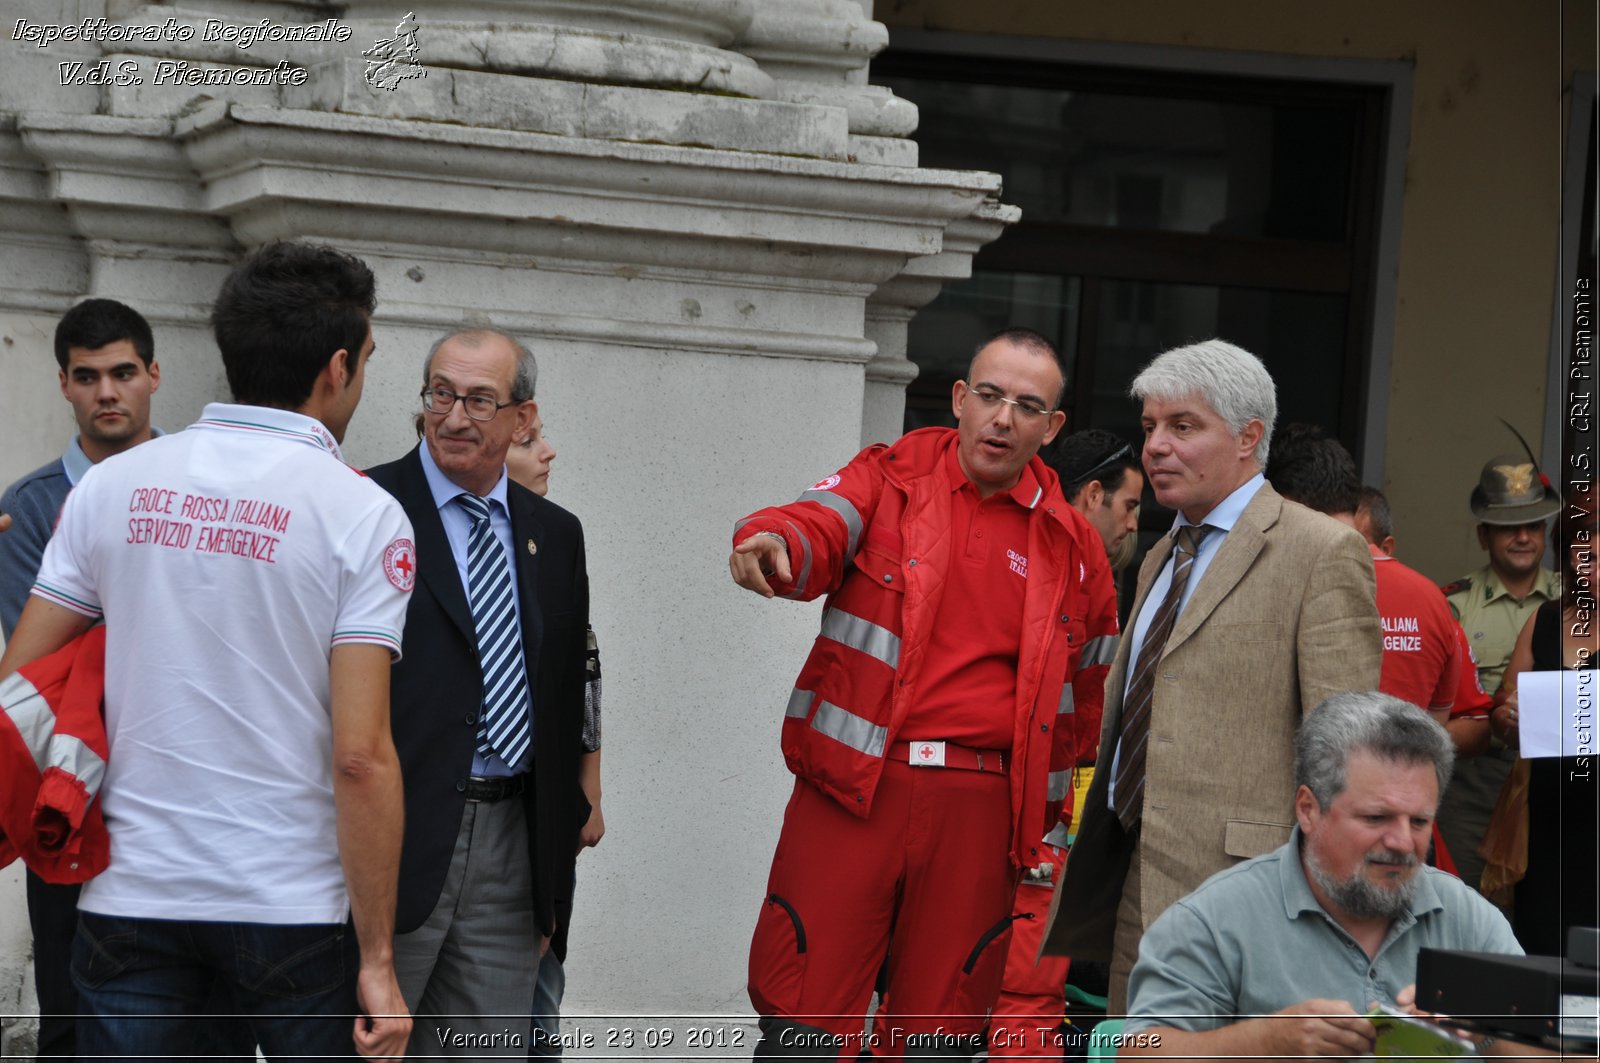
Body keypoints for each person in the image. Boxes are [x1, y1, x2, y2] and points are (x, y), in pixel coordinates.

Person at [0, 242, 414, 1058]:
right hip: (290, 902)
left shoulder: (113, 486)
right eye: (365, 359)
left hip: (132, 891)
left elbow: (18, 684)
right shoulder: (362, 513)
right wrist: (379, 958)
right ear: (337, 367)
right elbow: (361, 755)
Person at [730, 327, 1118, 1058]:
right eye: (992, 397)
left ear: (1051, 427)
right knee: (803, 1030)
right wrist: (773, 541)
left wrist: (1049, 829)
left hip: (983, 811)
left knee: (937, 1039)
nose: (1004, 418)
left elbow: (1087, 699)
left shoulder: (1075, 544)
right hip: (855, 793)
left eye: (1027, 406)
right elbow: (815, 523)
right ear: (961, 399)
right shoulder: (889, 477)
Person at [1044, 339, 1382, 1012]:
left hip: (1252, 902)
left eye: (1183, 426)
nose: (1155, 448)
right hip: (1134, 882)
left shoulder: (1321, 551)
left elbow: (1347, 752)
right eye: (1149, 429)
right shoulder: (1162, 553)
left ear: (1248, 436)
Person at [367, 328, 590, 1057]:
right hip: (395, 837)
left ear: (523, 419)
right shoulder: (365, 505)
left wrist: (552, 881)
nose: (454, 416)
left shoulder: (556, 535)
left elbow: (562, 703)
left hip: (512, 851)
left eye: (479, 400)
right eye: (440, 393)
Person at [1120, 692, 1522, 1061]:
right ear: (1308, 809)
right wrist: (1263, 1045)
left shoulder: (1464, 915)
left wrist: (1486, 1024)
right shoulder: (1214, 920)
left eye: (1419, 821)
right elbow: (1136, 1051)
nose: (1403, 841)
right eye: (1376, 817)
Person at [0, 298, 165, 1059]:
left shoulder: (192, 490)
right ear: (64, 384)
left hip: (176, 797)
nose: (108, 391)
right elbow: (42, 665)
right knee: (69, 1019)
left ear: (153, 376)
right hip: (68, 792)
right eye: (88, 375)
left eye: (123, 372)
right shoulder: (29, 509)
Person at [990, 428, 1142, 1059]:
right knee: (1020, 1002)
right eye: (1131, 507)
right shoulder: (1056, 578)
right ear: (1094, 495)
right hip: (1030, 828)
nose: (1137, 525)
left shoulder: (1082, 578)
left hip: (1033, 824)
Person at [503, 408, 605, 1059]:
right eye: (530, 442)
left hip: (545, 815)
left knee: (541, 993)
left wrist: (588, 793)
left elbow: (583, 671)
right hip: (483, 817)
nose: (549, 453)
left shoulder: (557, 537)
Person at [1437, 454, 1561, 894]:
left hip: (1555, 782)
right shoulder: (1450, 605)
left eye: (1534, 525)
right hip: (1476, 779)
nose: (1524, 537)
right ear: (1483, 535)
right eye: (1509, 527)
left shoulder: (1577, 599)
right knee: (1467, 905)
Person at [1492, 489, 1597, 956]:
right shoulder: (1546, 621)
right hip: (1547, 821)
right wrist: (1508, 716)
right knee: (1542, 949)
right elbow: (1502, 711)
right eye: (1583, 548)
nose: (1590, 560)